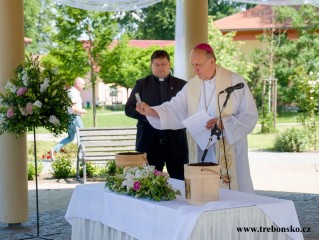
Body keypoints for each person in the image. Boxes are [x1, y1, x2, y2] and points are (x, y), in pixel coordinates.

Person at [135, 43, 258, 193]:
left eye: (198, 64)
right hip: (202, 150)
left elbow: (249, 114)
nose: (195, 69)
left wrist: (224, 123)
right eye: (192, 65)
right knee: (205, 193)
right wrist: (151, 111)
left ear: (212, 61)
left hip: (229, 149)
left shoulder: (235, 82)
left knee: (234, 191)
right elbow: (174, 107)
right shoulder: (192, 85)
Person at [125, 50, 189, 180]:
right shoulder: (141, 84)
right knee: (147, 182)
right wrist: (147, 114)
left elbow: (188, 109)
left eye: (163, 64)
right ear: (151, 66)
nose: (160, 68)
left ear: (169, 64)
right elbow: (129, 109)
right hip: (149, 142)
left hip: (176, 142)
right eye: (157, 65)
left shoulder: (182, 85)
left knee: (180, 180)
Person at [50, 77, 87, 160]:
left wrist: (79, 112)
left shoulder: (72, 92)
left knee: (70, 138)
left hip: (69, 117)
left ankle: (54, 149)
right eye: (83, 84)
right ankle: (82, 156)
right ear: (77, 84)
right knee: (83, 135)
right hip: (74, 117)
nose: (84, 86)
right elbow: (72, 107)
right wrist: (81, 111)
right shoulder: (74, 93)